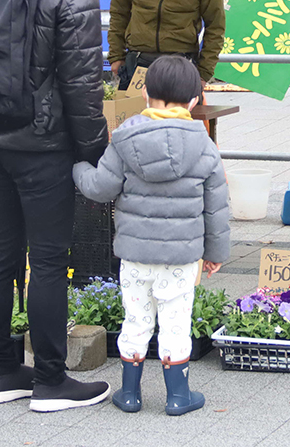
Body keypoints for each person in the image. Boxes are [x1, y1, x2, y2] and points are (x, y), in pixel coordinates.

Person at [0, 0, 120, 413]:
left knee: (0, 251)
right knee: (50, 259)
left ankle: (2, 373)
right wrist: (97, 153)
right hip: (43, 146)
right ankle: (52, 381)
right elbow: (82, 91)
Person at [73, 55, 230, 416]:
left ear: (145, 94)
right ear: (195, 99)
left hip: (135, 255)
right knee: (175, 324)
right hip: (181, 259)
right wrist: (216, 252)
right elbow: (217, 206)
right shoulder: (204, 145)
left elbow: (99, 188)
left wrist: (79, 167)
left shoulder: (125, 138)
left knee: (136, 319)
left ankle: (130, 394)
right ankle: (178, 396)